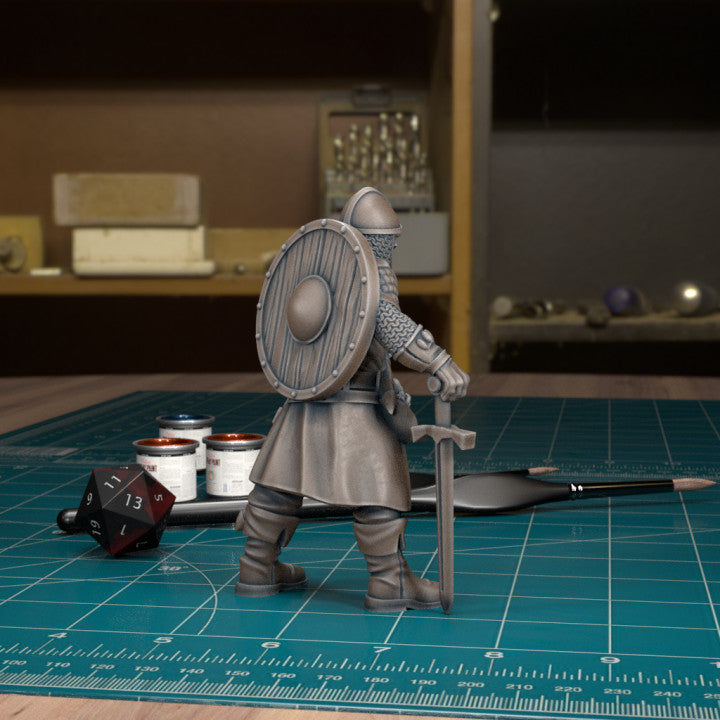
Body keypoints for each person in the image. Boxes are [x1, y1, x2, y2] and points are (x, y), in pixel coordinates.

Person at [235, 187, 469, 611]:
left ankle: (256, 568)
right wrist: (439, 361)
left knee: (278, 486)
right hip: (355, 407)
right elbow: (388, 324)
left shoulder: (320, 271)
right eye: (386, 240)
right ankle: (389, 582)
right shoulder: (372, 274)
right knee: (378, 492)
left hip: (305, 402)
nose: (389, 247)